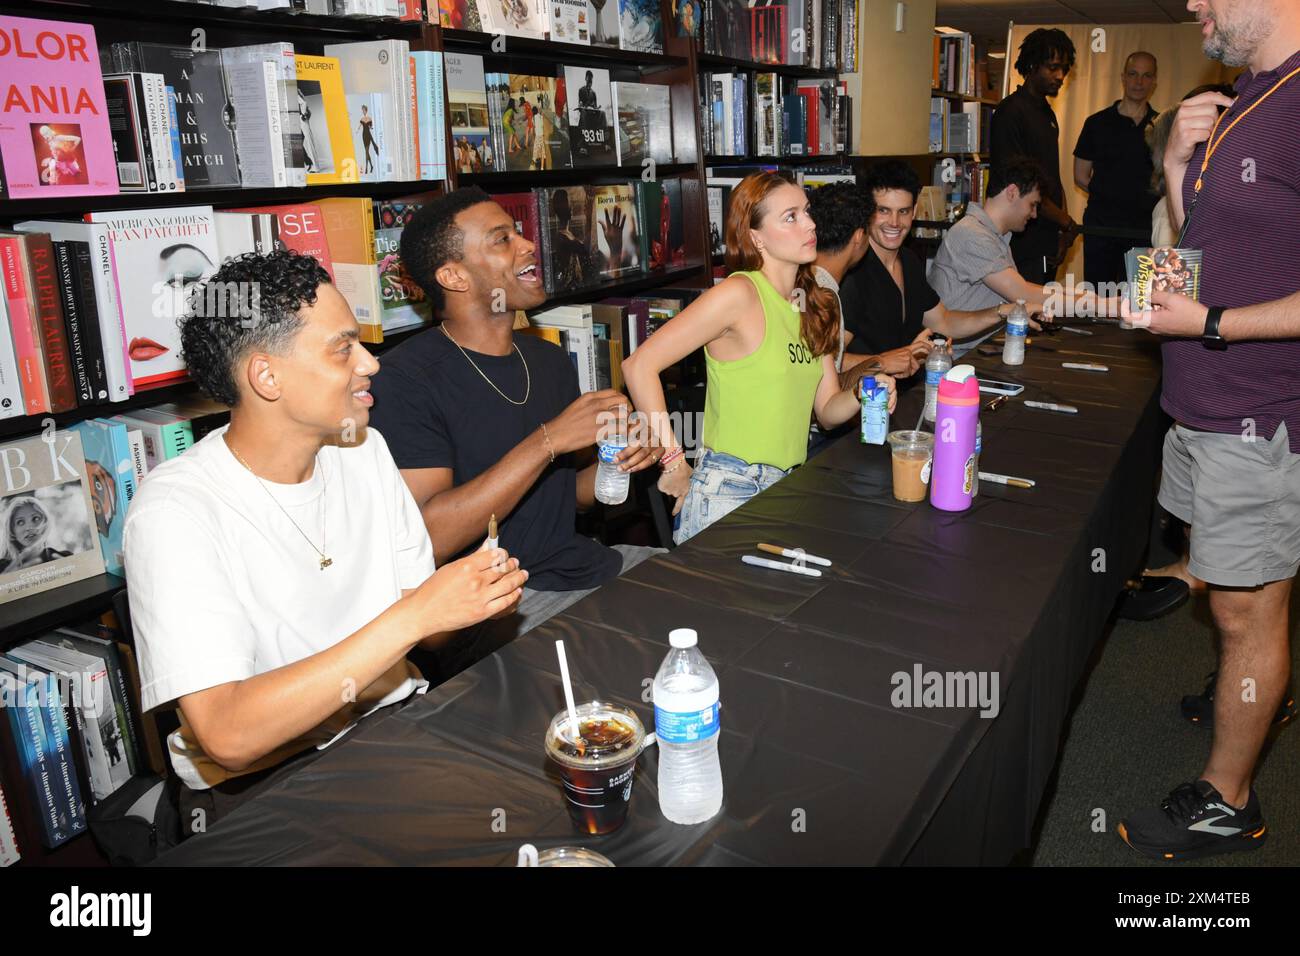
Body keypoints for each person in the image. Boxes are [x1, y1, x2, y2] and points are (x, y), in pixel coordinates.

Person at [123, 249, 527, 834]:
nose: (371, 364)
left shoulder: (364, 452)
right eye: (343, 347)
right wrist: (417, 614)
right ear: (267, 376)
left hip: (393, 731)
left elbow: (425, 631)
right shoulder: (175, 511)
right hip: (263, 787)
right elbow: (229, 735)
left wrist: (466, 599)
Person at [1117, 0, 1300, 862]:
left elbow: (1213, 301)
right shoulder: (1241, 96)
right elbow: (1201, 254)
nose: (1193, 4)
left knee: (1248, 606)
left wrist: (1215, 321)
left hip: (1257, 412)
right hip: (1199, 403)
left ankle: (1230, 799)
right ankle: (1247, 692)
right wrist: (1177, 164)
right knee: (1230, 593)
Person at [367, 188, 663, 680]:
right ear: (453, 276)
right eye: (503, 239)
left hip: (585, 569)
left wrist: (622, 460)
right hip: (499, 609)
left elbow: (568, 499)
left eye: (519, 233)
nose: (528, 245)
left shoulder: (545, 359)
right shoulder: (402, 381)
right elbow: (429, 535)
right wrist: (547, 440)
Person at [622, 171, 897, 544]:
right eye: (791, 217)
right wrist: (673, 460)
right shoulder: (739, 294)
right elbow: (638, 365)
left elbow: (828, 411)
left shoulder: (815, 303)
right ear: (755, 236)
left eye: (807, 212)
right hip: (730, 489)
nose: (810, 224)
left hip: (790, 487)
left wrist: (865, 391)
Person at [838, 160, 1034, 384]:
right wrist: (883, 361)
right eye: (883, 211)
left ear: (914, 212)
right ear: (867, 213)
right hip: (864, 405)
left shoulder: (908, 261)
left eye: (903, 211)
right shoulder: (853, 272)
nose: (894, 222)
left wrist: (1001, 311)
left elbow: (944, 320)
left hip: (909, 395)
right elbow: (830, 362)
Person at [930, 158, 1099, 317]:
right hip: (962, 348)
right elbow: (1023, 294)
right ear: (1012, 192)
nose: (1033, 215)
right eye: (1032, 204)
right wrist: (1103, 306)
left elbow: (1023, 287)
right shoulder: (972, 235)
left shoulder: (994, 235)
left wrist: (1085, 297)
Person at [990, 28, 1078, 285]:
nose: (1060, 76)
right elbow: (1016, 183)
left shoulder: (1046, 113)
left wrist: (1063, 227)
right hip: (1020, 239)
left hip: (1046, 236)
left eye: (1064, 69)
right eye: (1052, 68)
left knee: (1043, 313)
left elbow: (1051, 174)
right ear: (1032, 65)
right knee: (1022, 313)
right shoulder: (1010, 111)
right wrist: (1065, 221)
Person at [1073, 52, 1161, 285]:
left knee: (1139, 304)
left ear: (1154, 82)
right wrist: (1112, 194)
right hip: (1101, 228)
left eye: (1146, 76)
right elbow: (1080, 176)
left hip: (1144, 230)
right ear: (1123, 77)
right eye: (1133, 74)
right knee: (1097, 302)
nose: (1138, 82)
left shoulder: (1162, 126)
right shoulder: (1096, 123)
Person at [0, 496, 71, 573]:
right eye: (20, 522)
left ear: (46, 523)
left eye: (35, 518)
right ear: (12, 531)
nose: (29, 527)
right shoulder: (2, 568)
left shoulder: (66, 557)